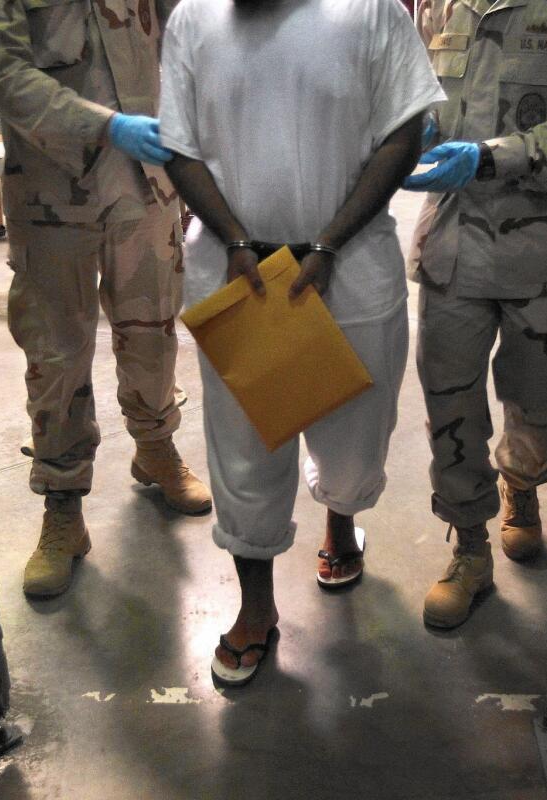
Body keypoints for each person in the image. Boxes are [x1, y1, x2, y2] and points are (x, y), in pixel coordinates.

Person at [160, 0, 444, 685]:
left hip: (347, 271)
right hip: (242, 276)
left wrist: (327, 243)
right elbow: (181, 147)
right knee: (245, 447)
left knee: (354, 440)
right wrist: (232, 238)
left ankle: (340, 520)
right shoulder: (194, 20)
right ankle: (257, 607)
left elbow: (402, 135)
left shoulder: (371, 11)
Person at [0, 0, 211, 598]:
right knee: (57, 351)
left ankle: (154, 446)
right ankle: (62, 503)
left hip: (148, 178)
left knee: (153, 326)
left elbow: (183, 27)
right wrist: (104, 125)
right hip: (51, 185)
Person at [403, 0, 547, 629]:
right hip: (454, 243)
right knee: (450, 406)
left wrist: (495, 156)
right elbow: (420, 89)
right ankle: (468, 550)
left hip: (541, 250)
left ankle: (523, 480)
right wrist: (420, 126)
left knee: (543, 402)